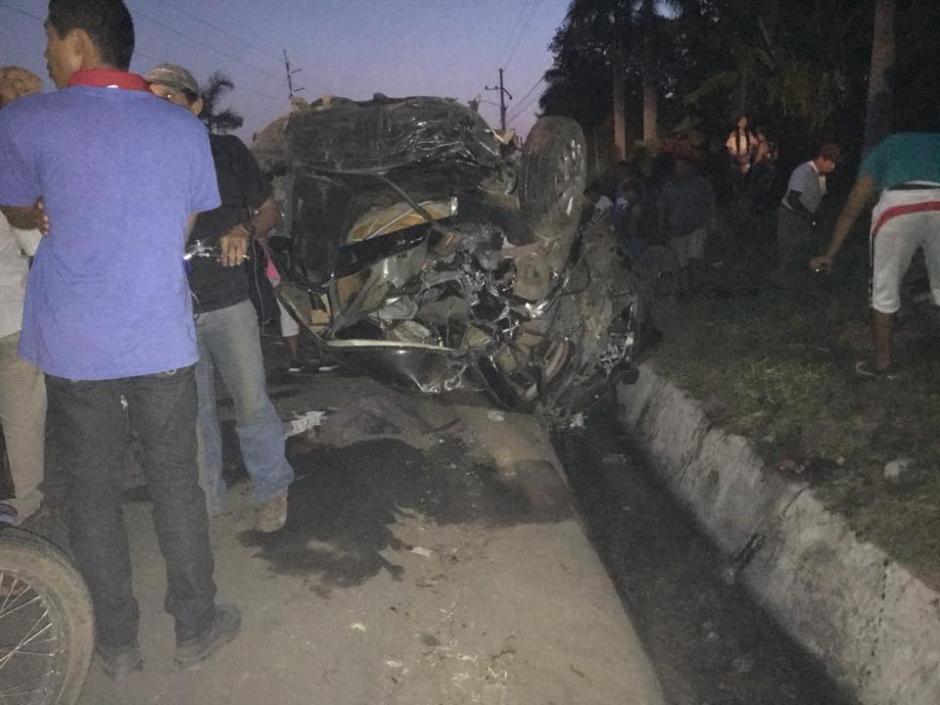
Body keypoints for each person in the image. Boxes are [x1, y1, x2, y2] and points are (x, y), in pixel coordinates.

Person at [0, 0, 239, 676]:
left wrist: (41, 208)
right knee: (176, 484)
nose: (44, 50)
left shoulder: (22, 120)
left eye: (48, 37)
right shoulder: (181, 128)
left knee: (94, 493)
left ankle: (115, 643)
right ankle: (196, 625)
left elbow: (18, 206)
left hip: (78, 345)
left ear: (76, 43)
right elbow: (182, 230)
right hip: (159, 336)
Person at [144, 64, 294, 529]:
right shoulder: (143, 161)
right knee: (194, 413)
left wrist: (242, 229)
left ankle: (272, 488)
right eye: (151, 99)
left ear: (196, 105)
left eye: (170, 97)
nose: (159, 106)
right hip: (173, 305)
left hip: (228, 299)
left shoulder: (225, 152)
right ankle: (208, 499)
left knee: (251, 400)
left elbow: (270, 211)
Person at [810, 133, 940, 378]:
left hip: (899, 205)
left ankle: (883, 365)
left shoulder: (885, 148)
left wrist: (830, 254)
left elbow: (854, 205)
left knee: (884, 288)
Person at [0, 67, 45, 525]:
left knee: (20, 421)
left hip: (12, 315)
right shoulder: (15, 155)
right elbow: (35, 240)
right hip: (13, 314)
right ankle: (23, 515)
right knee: (20, 422)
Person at [775, 143, 840, 277]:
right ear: (822, 159)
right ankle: (781, 275)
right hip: (791, 214)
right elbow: (793, 198)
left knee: (801, 246)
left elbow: (820, 197)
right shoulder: (804, 171)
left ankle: (797, 274)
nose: (832, 167)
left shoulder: (821, 176)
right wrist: (806, 214)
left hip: (805, 216)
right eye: (831, 163)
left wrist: (818, 216)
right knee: (787, 247)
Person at [659, 155, 717, 295]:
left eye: (683, 166)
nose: (681, 170)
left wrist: (713, 222)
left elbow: (711, 203)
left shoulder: (700, 184)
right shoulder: (668, 187)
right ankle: (686, 289)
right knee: (681, 261)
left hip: (697, 225)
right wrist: (661, 225)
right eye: (678, 167)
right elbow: (663, 207)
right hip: (676, 228)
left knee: (695, 257)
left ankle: (697, 285)